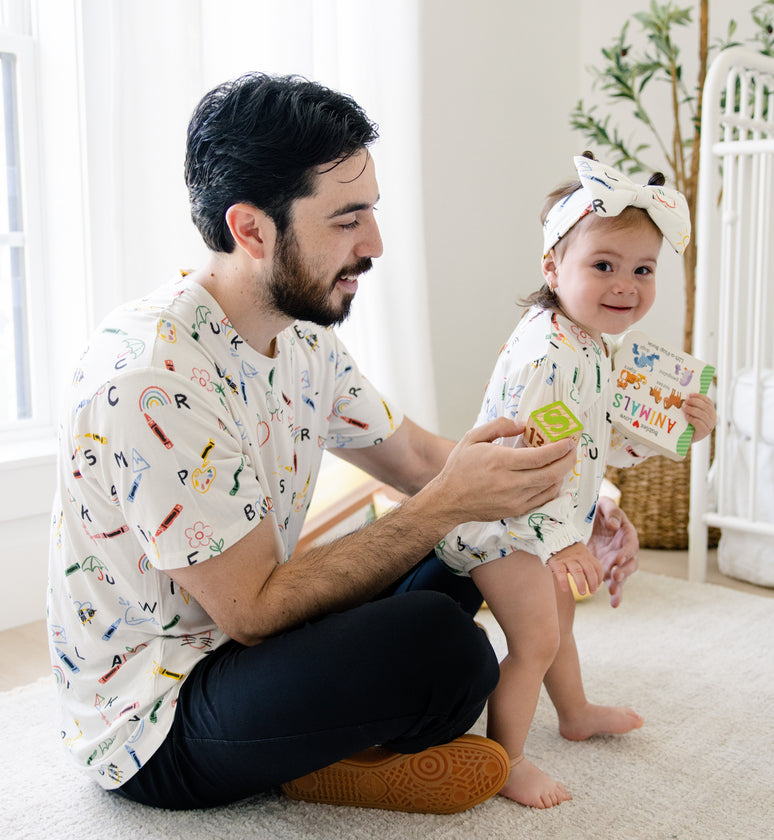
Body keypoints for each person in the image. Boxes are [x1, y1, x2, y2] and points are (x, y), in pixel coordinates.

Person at [47, 73, 642, 815]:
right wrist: (452, 506)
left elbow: (427, 464)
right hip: (162, 721)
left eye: (373, 212)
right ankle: (322, 756)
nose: (376, 244)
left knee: (477, 540)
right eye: (347, 219)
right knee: (448, 652)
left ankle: (330, 746)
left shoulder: (299, 337)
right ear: (252, 229)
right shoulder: (150, 378)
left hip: (255, 647)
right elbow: (253, 611)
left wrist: (567, 507)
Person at [436, 153, 717, 809]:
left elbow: (596, 440)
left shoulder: (587, 343)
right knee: (534, 639)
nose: (627, 285)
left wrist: (677, 429)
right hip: (500, 518)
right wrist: (561, 540)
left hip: (539, 517)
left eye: (642, 270)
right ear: (552, 269)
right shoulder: (547, 353)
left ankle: (577, 711)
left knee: (557, 620)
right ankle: (506, 760)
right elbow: (531, 454)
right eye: (603, 266)